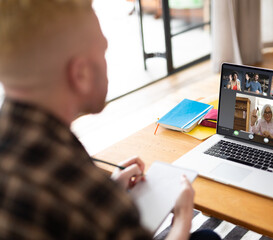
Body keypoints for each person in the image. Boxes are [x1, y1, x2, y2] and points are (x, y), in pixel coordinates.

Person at [0, 1, 220, 239]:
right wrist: (183, 218)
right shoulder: (79, 184)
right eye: (103, 51)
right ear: (81, 74)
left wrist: (110, 190)